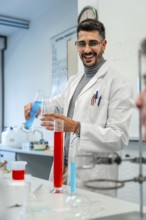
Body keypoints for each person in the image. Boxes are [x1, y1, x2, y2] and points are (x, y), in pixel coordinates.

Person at [25, 19, 134, 197]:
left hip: (92, 173)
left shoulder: (118, 83)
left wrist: (77, 128)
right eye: (82, 44)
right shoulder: (74, 81)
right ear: (76, 46)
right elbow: (58, 105)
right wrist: (37, 108)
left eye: (93, 43)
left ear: (104, 44)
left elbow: (119, 137)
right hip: (64, 167)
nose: (87, 50)